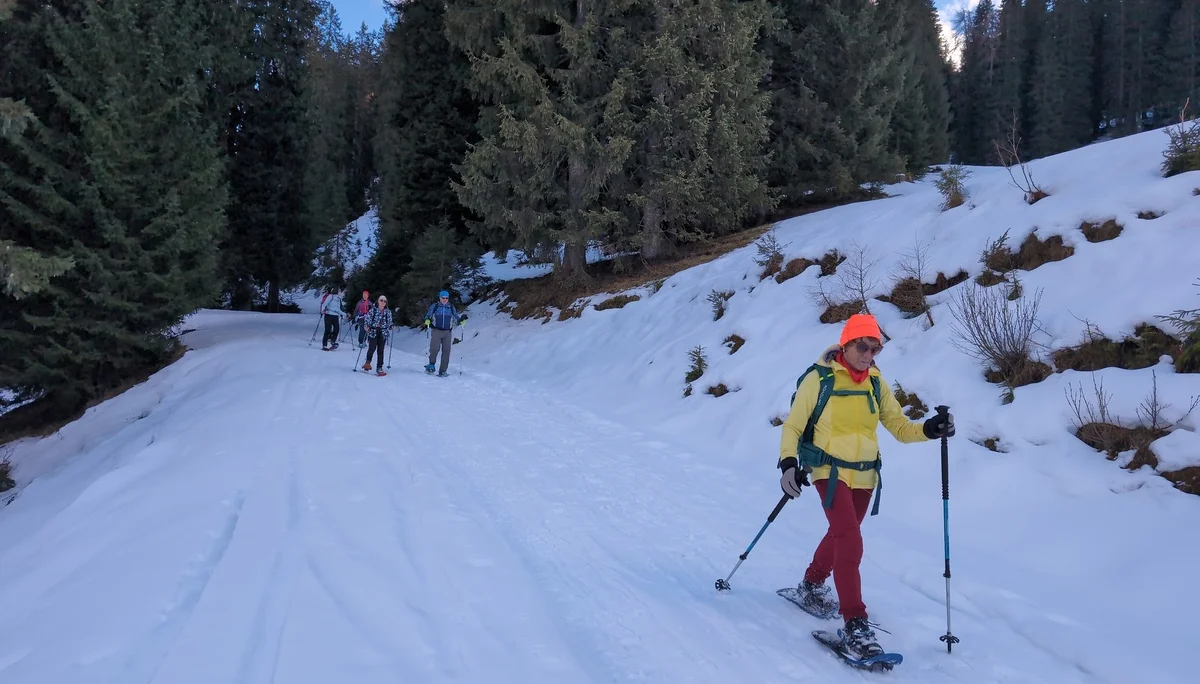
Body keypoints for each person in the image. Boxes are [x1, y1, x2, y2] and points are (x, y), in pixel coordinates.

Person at [778, 313, 954, 660]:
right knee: (850, 538)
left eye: (876, 349)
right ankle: (855, 624)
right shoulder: (819, 379)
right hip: (828, 470)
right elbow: (793, 426)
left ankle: (812, 584)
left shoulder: (875, 381)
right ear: (846, 344)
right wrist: (787, 464)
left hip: (865, 474)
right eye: (863, 346)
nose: (869, 354)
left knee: (842, 533)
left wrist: (931, 429)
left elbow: (900, 428)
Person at [423, 290, 468, 377]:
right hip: (436, 330)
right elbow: (428, 315)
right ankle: (431, 365)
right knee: (434, 349)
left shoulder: (450, 307)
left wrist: (461, 320)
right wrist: (427, 320)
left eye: (446, 298)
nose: (445, 300)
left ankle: (443, 371)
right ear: (440, 298)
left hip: (447, 332)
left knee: (446, 351)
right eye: (443, 298)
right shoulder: (435, 306)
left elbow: (456, 317)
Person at [361, 294, 393, 376]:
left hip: (383, 332)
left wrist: (392, 326)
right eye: (381, 300)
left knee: (381, 350)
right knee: (372, 348)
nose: (383, 302)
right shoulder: (373, 310)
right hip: (373, 331)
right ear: (378, 301)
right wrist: (366, 326)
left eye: (384, 301)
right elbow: (367, 319)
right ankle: (367, 363)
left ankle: (379, 367)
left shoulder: (388, 312)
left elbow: (389, 322)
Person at [320, 285, 344, 350]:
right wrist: (322, 311)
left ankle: (332, 341)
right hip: (328, 315)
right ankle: (324, 345)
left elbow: (338, 309)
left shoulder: (339, 299)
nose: (340, 292)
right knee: (327, 330)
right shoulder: (331, 296)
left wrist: (344, 314)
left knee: (337, 329)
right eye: (339, 291)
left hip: (335, 316)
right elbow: (324, 304)